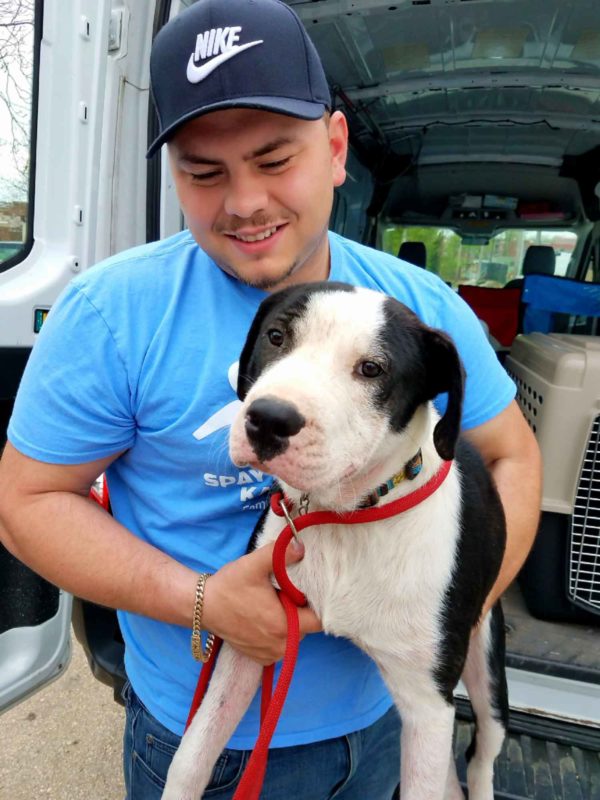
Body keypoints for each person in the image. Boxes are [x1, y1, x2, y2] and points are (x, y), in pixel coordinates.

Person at [0, 1, 542, 798]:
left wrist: (450, 611)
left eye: (273, 157)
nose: (245, 202)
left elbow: (511, 455)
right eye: (203, 171)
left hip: (382, 724)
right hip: (197, 738)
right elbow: (26, 502)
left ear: (334, 148)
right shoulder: (112, 312)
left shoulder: (420, 310)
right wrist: (202, 600)